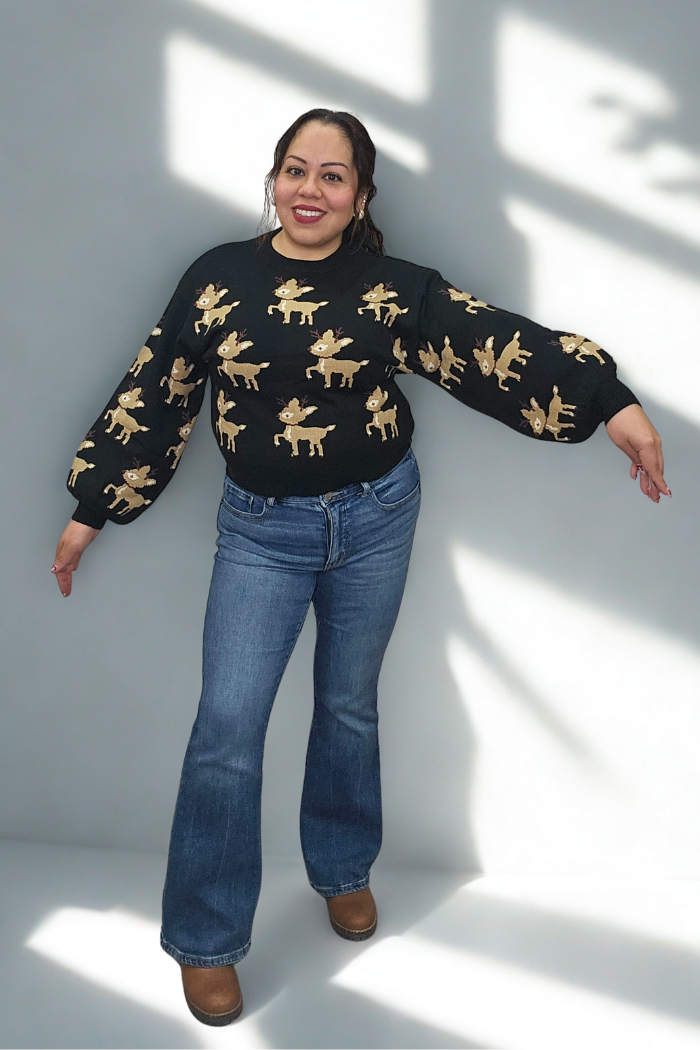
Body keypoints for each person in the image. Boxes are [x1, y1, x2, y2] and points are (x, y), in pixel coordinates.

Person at [52, 109, 669, 1026]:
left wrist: (609, 401)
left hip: (379, 516)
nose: (310, 190)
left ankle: (342, 868)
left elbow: (485, 342)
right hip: (261, 531)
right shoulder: (217, 281)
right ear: (272, 181)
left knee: (348, 700)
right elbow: (160, 388)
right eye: (295, 171)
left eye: (332, 177)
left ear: (361, 196)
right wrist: (95, 507)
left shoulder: (391, 291)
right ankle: (208, 938)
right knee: (227, 729)